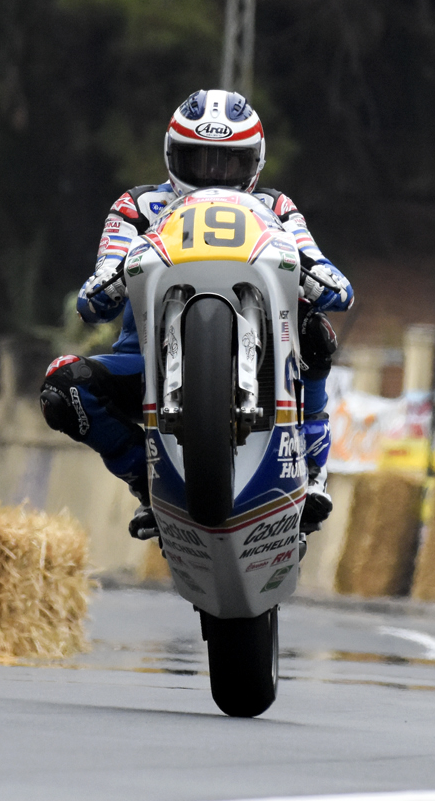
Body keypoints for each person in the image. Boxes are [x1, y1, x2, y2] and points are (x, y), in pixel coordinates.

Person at [41, 89, 354, 541]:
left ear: (254, 162)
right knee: (61, 388)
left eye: (228, 164)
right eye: (199, 162)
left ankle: (312, 467)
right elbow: (95, 294)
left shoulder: (277, 207)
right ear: (173, 156)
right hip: (145, 364)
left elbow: (326, 272)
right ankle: (147, 482)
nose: (213, 177)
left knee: (315, 329)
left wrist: (319, 278)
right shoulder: (136, 206)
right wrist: (110, 281)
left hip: (268, 358)